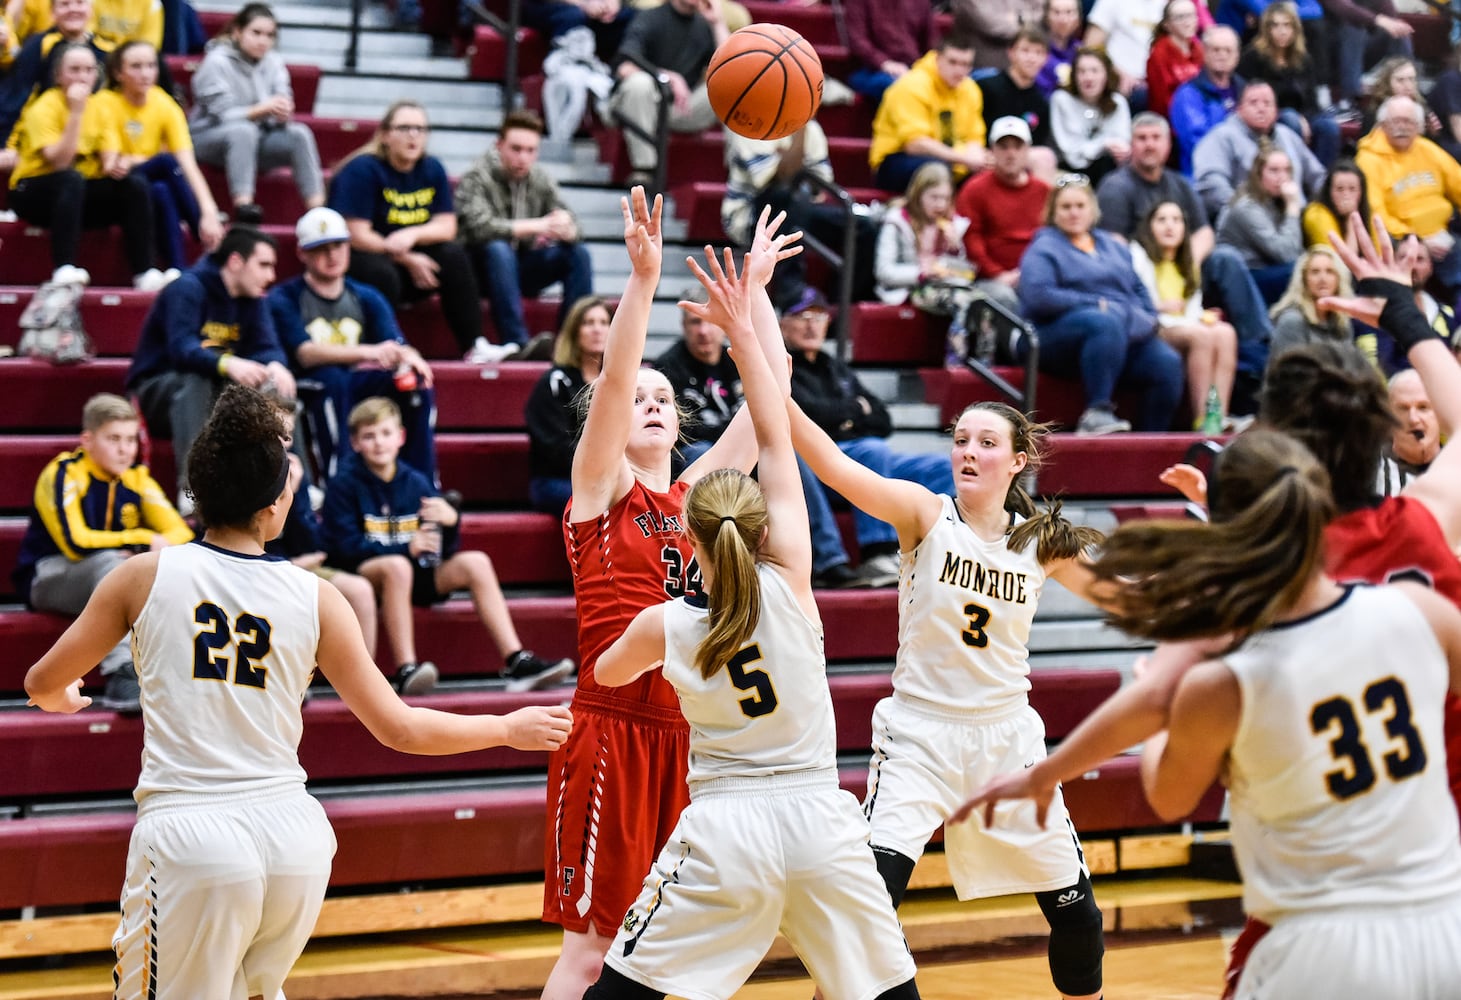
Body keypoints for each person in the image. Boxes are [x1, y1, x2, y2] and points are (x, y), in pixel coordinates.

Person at [951, 223, 1461, 995]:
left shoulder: (1246, 609)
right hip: (1438, 896)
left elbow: (1162, 757)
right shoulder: (1417, 559)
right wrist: (1406, 316)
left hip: (1317, 934)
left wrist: (1049, 771)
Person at [22, 384, 573, 1000]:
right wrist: (505, 728)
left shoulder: (145, 574)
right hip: (295, 838)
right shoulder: (319, 596)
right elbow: (401, 729)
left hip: (192, 834)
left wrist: (63, 694)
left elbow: (40, 682)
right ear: (274, 507)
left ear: (199, 490)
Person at [579, 241, 922, 1000]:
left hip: (724, 822)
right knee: (889, 992)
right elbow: (775, 433)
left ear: (687, 532)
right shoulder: (794, 581)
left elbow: (604, 669)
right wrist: (746, 319)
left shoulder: (666, 626)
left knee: (619, 986)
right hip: (818, 818)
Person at [1093, 428, 1461, 999]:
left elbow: (1168, 794)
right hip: (1437, 917)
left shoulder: (1231, 665)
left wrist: (1161, 702)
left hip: (1320, 937)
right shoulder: (1408, 606)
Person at [784, 388, 1109, 1000]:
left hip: (1006, 741)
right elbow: (831, 464)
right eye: (961, 440)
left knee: (1079, 919)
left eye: (987, 444)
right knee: (866, 914)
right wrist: (770, 377)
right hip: (919, 737)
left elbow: (1130, 599)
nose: (969, 452)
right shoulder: (925, 514)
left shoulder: (1043, 541)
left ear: (1017, 461)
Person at [537, 191, 774, 1000]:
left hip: (689, 737)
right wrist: (641, 282)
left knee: (664, 951)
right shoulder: (600, 488)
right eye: (638, 397)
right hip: (609, 731)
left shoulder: (696, 499)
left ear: (679, 426)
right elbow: (608, 388)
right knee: (595, 952)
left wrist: (755, 305)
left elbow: (768, 404)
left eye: (663, 399)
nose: (649, 404)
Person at [321, 396, 573, 697]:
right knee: (397, 566)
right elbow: (345, 549)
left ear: (401, 437)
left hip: (413, 574)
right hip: (368, 576)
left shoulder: (415, 481)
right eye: (369, 436)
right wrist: (406, 550)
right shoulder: (343, 485)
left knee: (475, 562)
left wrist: (450, 522)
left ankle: (516, 659)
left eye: (386, 434)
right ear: (355, 443)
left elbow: (443, 550)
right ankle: (406, 668)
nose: (378, 443)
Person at [654, 291, 884, 590]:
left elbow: (770, 398)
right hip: (695, 455)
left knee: (788, 452)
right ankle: (702, 566)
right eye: (694, 323)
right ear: (684, 326)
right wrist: (737, 430)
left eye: (708, 323)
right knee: (702, 450)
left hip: (745, 444)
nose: (703, 331)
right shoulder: (670, 367)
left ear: (721, 325)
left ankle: (830, 559)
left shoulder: (734, 359)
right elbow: (686, 428)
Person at [11, 393, 193, 715]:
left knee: (161, 567)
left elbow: (181, 533)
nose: (125, 449)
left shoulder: (136, 478)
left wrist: (143, 548)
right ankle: (121, 672)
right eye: (113, 439)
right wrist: (141, 541)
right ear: (88, 439)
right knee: (119, 565)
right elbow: (76, 542)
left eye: (130, 439)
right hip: (50, 575)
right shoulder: (64, 473)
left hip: (105, 572)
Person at [1095, 112, 1275, 396]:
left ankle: (1257, 357)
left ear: (1168, 145)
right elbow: (1113, 245)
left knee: (1226, 259)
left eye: (1156, 138)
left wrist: (1185, 262)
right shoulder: (1116, 186)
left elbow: (1204, 232)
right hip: (1141, 278)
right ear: (1132, 144)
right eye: (1142, 139)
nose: (1149, 145)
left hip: (1183, 269)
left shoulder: (1178, 183)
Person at [782, 287, 956, 569]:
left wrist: (844, 419)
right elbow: (807, 417)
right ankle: (878, 551)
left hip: (860, 457)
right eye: (802, 316)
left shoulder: (835, 367)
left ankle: (940, 554)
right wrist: (854, 412)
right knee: (872, 450)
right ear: (783, 324)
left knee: (941, 468)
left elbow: (883, 419)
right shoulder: (781, 365)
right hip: (819, 467)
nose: (812, 324)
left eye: (818, 316)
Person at [126, 226, 297, 507]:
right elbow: (180, 349)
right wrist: (227, 363)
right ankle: (191, 488)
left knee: (277, 383)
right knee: (197, 379)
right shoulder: (188, 287)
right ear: (235, 261)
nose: (271, 276)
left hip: (210, 391)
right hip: (156, 391)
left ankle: (291, 483)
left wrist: (276, 364)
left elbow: (268, 346)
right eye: (264, 265)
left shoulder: (251, 298)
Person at [268, 206, 437, 483]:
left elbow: (395, 342)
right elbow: (305, 353)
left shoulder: (366, 295)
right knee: (332, 379)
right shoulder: (285, 297)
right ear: (303, 254)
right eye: (321, 248)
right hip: (307, 381)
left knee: (414, 381)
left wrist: (410, 357)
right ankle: (338, 483)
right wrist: (370, 352)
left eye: (338, 246)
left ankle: (422, 483)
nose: (332, 255)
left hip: (353, 381)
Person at [1017, 172, 1184, 434]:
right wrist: (1096, 304)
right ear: (1053, 212)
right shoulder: (1044, 247)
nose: (1074, 213)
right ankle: (1097, 412)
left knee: (1167, 362)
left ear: (1092, 209)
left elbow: (1138, 288)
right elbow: (1038, 296)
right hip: (1054, 337)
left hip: (1120, 333)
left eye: (1080, 206)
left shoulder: (1113, 246)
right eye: (1066, 207)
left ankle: (1151, 440)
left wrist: (1145, 317)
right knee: (1103, 322)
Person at [330, 101, 490, 364]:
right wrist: (406, 258)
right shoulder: (361, 170)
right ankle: (387, 347)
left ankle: (475, 345)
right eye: (404, 128)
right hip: (364, 262)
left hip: (414, 268)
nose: (413, 135)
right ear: (385, 135)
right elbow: (356, 234)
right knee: (382, 272)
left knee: (454, 256)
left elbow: (447, 226)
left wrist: (412, 236)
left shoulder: (432, 168)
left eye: (420, 129)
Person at [8, 42, 161, 288]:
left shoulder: (101, 107)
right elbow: (60, 162)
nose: (83, 77)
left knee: (134, 185)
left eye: (89, 70)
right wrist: (76, 114)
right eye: (75, 70)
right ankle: (63, 267)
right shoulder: (44, 106)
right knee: (70, 178)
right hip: (32, 193)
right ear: (58, 75)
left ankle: (145, 272)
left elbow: (108, 151)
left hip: (75, 194)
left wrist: (116, 163)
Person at [455, 109, 594, 353]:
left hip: (521, 267)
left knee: (578, 253)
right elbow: (479, 228)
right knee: (499, 249)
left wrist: (566, 228)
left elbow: (573, 222)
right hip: (479, 271)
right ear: (499, 145)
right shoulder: (477, 176)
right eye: (516, 149)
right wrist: (537, 226)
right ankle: (518, 343)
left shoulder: (540, 178)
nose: (523, 157)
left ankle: (571, 344)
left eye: (530, 151)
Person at [187, 3, 324, 225]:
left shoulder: (274, 62)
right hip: (206, 138)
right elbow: (221, 116)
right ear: (237, 32)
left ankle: (318, 211)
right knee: (243, 130)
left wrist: (281, 112)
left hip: (256, 137)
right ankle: (244, 208)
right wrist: (263, 109)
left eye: (270, 35)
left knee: (300, 133)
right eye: (256, 33)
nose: (263, 41)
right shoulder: (216, 62)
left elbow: (281, 99)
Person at [95, 39, 223, 277]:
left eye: (151, 66)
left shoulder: (164, 103)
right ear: (118, 73)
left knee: (162, 189)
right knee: (165, 163)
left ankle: (177, 269)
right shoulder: (104, 102)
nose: (145, 74)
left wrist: (209, 213)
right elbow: (110, 164)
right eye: (136, 66)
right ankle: (206, 241)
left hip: (145, 183)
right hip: (108, 186)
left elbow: (188, 165)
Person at [1131, 199, 1239, 428]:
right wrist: (1161, 307)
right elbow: (1136, 301)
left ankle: (1219, 415)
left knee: (1225, 332)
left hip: (1183, 324)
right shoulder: (1138, 254)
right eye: (1162, 220)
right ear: (1149, 226)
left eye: (1176, 220)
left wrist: (1204, 316)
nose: (1169, 226)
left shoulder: (1189, 261)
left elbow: (1190, 308)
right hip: (1154, 326)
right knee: (1202, 336)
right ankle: (1203, 418)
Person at [606, 0, 726, 190]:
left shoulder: (704, 26)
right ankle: (644, 169)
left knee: (731, 87)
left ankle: (747, 169)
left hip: (680, 108)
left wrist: (717, 23)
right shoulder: (649, 17)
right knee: (639, 83)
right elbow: (624, 66)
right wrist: (665, 77)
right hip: (642, 105)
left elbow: (731, 66)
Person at [1355, 96, 1461, 304]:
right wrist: (1418, 240)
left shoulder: (1426, 148)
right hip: (1400, 239)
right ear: (1383, 124)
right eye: (1396, 121)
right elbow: (1376, 214)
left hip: (1442, 232)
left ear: (1419, 126)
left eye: (1408, 122)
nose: (1402, 128)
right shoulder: (1367, 160)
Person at [873, 162, 975, 356]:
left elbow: (960, 269)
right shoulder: (897, 221)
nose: (940, 205)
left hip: (946, 283)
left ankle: (983, 366)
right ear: (918, 195)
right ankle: (956, 358)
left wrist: (954, 248)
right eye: (934, 197)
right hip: (911, 288)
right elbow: (883, 271)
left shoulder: (952, 223)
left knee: (984, 304)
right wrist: (922, 272)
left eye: (945, 198)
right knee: (961, 300)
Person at [868, 34, 989, 195]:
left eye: (966, 64)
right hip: (896, 160)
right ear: (938, 59)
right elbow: (915, 144)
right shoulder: (912, 85)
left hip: (950, 158)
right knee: (937, 170)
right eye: (953, 62)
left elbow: (974, 137)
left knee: (993, 172)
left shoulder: (970, 89)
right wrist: (965, 159)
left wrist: (978, 157)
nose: (960, 70)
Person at [956, 115, 1050, 317]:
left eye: (1018, 146)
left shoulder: (1044, 191)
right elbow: (971, 238)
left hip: (1036, 275)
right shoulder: (974, 189)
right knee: (1004, 297)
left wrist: (1032, 272)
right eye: (1004, 146)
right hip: (990, 279)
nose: (1011, 153)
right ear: (992, 150)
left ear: (1028, 151)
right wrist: (997, 274)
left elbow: (1051, 239)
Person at [1193, 79, 1324, 224]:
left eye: (1267, 103)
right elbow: (1211, 184)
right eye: (1253, 103)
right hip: (1244, 225)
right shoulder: (1221, 137)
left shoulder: (1288, 136)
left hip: (1295, 218)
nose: (1261, 109)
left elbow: (1318, 176)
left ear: (1276, 111)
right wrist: (1244, 212)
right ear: (1239, 108)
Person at [524, 295, 609, 516]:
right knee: (607, 502)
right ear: (574, 332)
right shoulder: (553, 383)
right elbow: (555, 449)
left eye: (603, 323)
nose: (597, 330)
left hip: (609, 478)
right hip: (556, 481)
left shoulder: (622, 382)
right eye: (588, 323)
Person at [1236, 1, 1339, 167]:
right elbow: (1249, 97)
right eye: (1275, 25)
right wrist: (1298, 118)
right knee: (1291, 120)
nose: (1282, 31)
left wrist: (1304, 118)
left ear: (1295, 29)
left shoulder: (1303, 58)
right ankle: (1292, 176)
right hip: (1270, 116)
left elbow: (1311, 100)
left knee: (1328, 126)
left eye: (1287, 25)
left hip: (1302, 114)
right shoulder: (1253, 56)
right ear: (1267, 29)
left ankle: (1323, 181)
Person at [0, 0, 103, 147]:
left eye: (80, 3)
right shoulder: (38, 45)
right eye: (65, 4)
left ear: (91, 9)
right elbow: (17, 97)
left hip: (91, 139)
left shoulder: (104, 50)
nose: (73, 9)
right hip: (40, 137)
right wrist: (8, 146)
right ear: (52, 13)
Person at [1215, 143, 1306, 303]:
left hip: (1269, 269)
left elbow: (1296, 248)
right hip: (1245, 278)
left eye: (1286, 170)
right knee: (1299, 271)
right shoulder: (1246, 207)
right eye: (1274, 170)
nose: (1282, 177)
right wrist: (1292, 208)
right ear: (1258, 174)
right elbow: (1286, 255)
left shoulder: (1278, 200)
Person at [977, 27, 1060, 181]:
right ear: (1011, 53)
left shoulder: (1041, 102)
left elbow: (1036, 144)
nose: (1032, 58)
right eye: (1025, 51)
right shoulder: (986, 88)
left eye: (1038, 52)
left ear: (1046, 59)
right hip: (984, 158)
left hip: (1020, 164)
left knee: (1045, 158)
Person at [1049, 46, 1131, 187]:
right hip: (1069, 169)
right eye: (1082, 72)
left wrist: (1120, 149)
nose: (1088, 78)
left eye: (1095, 71)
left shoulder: (1118, 102)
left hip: (1108, 169)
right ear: (1074, 76)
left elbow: (1122, 142)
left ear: (1106, 74)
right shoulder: (1061, 100)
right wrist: (1103, 145)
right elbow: (1071, 153)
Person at [1167, 24, 1242, 176]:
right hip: (1202, 175)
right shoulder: (1187, 94)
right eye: (1216, 50)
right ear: (1205, 53)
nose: (1222, 55)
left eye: (1228, 50)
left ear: (1237, 56)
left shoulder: (1246, 91)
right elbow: (1198, 143)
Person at [1267, 245, 1358, 368]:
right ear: (1304, 279)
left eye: (1330, 272)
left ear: (1339, 279)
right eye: (1315, 272)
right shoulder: (1292, 321)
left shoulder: (1342, 322)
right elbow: (1289, 377)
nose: (1323, 279)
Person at [1322, 0, 1414, 109]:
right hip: (1327, 59)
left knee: (1398, 32)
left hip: (1357, 57)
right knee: (1354, 28)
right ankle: (1349, 102)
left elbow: (1390, 16)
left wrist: (1395, 25)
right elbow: (1344, 9)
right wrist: (1378, 20)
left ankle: (1409, 94)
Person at [841, 0, 936, 105]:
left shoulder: (920, 2)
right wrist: (885, 63)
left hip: (912, 68)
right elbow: (857, 41)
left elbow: (932, 44)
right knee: (899, 87)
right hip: (869, 70)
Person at [1084, 0, 1165, 101]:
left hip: (1157, 83)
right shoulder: (1111, 2)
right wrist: (1118, 74)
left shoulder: (1166, 3)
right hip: (1120, 83)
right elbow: (1091, 47)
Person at [1145, 0, 1205, 119]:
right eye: (1180, 17)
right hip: (1171, 119)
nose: (1187, 22)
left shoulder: (1199, 49)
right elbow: (1162, 100)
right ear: (1167, 24)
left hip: (1198, 114)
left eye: (1191, 16)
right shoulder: (1159, 54)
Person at [1302, 159, 1375, 249]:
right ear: (1329, 191)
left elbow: (1378, 256)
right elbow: (1340, 261)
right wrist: (1352, 220)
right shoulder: (1316, 215)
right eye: (1340, 189)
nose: (1346, 195)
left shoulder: (1368, 213)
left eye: (1352, 189)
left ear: (1361, 192)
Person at [1389, 367, 1441, 479]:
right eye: (1403, 408)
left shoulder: (1455, 469)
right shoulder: (1369, 472)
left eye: (1423, 407)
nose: (1413, 419)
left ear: (1441, 414)